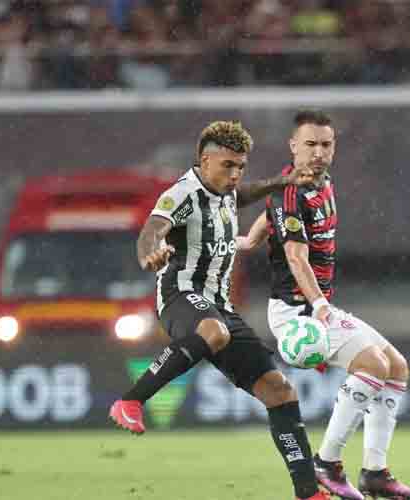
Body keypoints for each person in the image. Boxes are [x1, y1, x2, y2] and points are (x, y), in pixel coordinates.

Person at [108, 120, 330, 500]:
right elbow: (152, 230)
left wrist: (283, 182)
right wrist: (150, 254)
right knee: (214, 331)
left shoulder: (225, 190)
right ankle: (131, 400)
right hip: (181, 295)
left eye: (240, 166)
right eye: (228, 165)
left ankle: (309, 493)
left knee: (280, 391)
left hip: (220, 306)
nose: (235, 174)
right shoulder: (181, 194)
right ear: (203, 160)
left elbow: (243, 194)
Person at [238, 110, 410, 500]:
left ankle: (375, 472)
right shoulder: (288, 192)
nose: (319, 152)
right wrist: (321, 306)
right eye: (310, 144)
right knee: (373, 365)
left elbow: (267, 214)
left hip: (317, 306)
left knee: (397, 367)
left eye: (326, 144)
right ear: (294, 146)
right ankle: (326, 463)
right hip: (296, 312)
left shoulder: (322, 183)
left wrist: (250, 240)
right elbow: (295, 257)